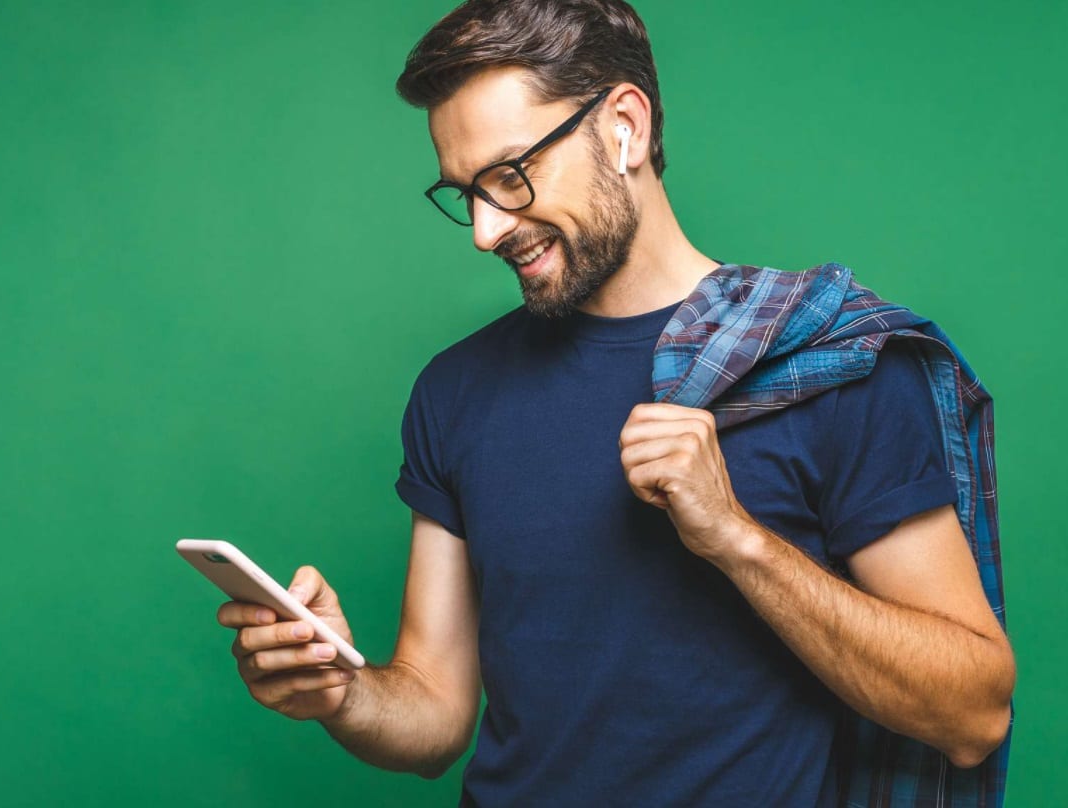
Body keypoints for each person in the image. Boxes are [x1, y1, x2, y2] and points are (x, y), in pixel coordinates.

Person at [216, 1, 1015, 805]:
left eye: (509, 175)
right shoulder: (454, 391)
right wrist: (342, 690)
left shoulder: (831, 365)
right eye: (467, 193)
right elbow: (435, 713)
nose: (486, 230)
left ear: (624, 126)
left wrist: (738, 540)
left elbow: (973, 714)